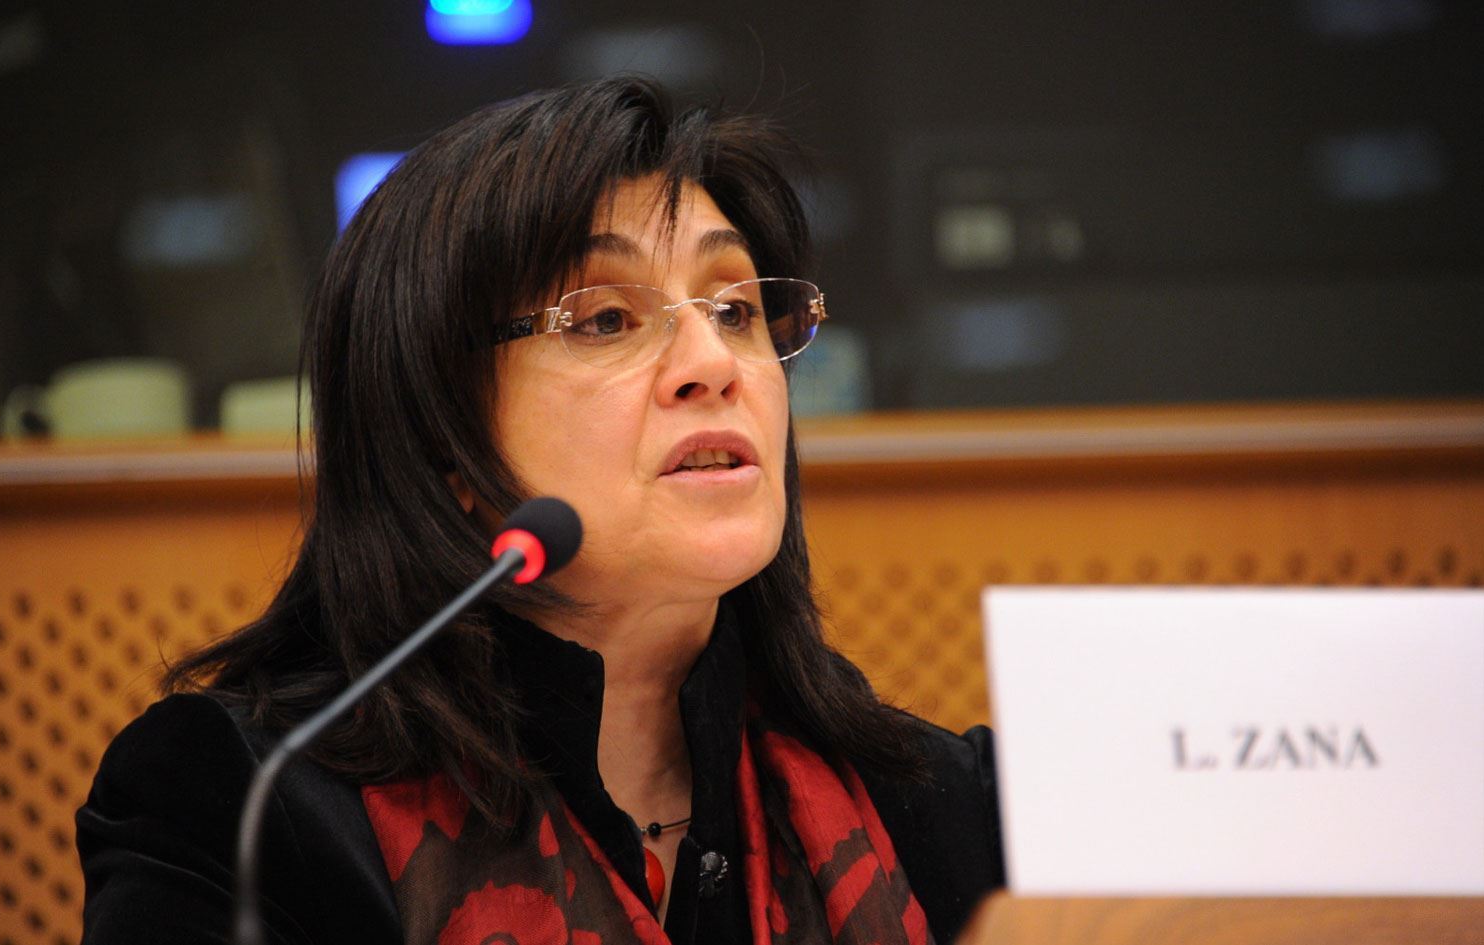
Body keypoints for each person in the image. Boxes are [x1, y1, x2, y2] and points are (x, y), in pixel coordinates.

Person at [76, 75, 1006, 945]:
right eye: (605, 319)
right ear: (442, 440)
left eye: (735, 310)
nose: (714, 365)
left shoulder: (946, 806)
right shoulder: (245, 804)